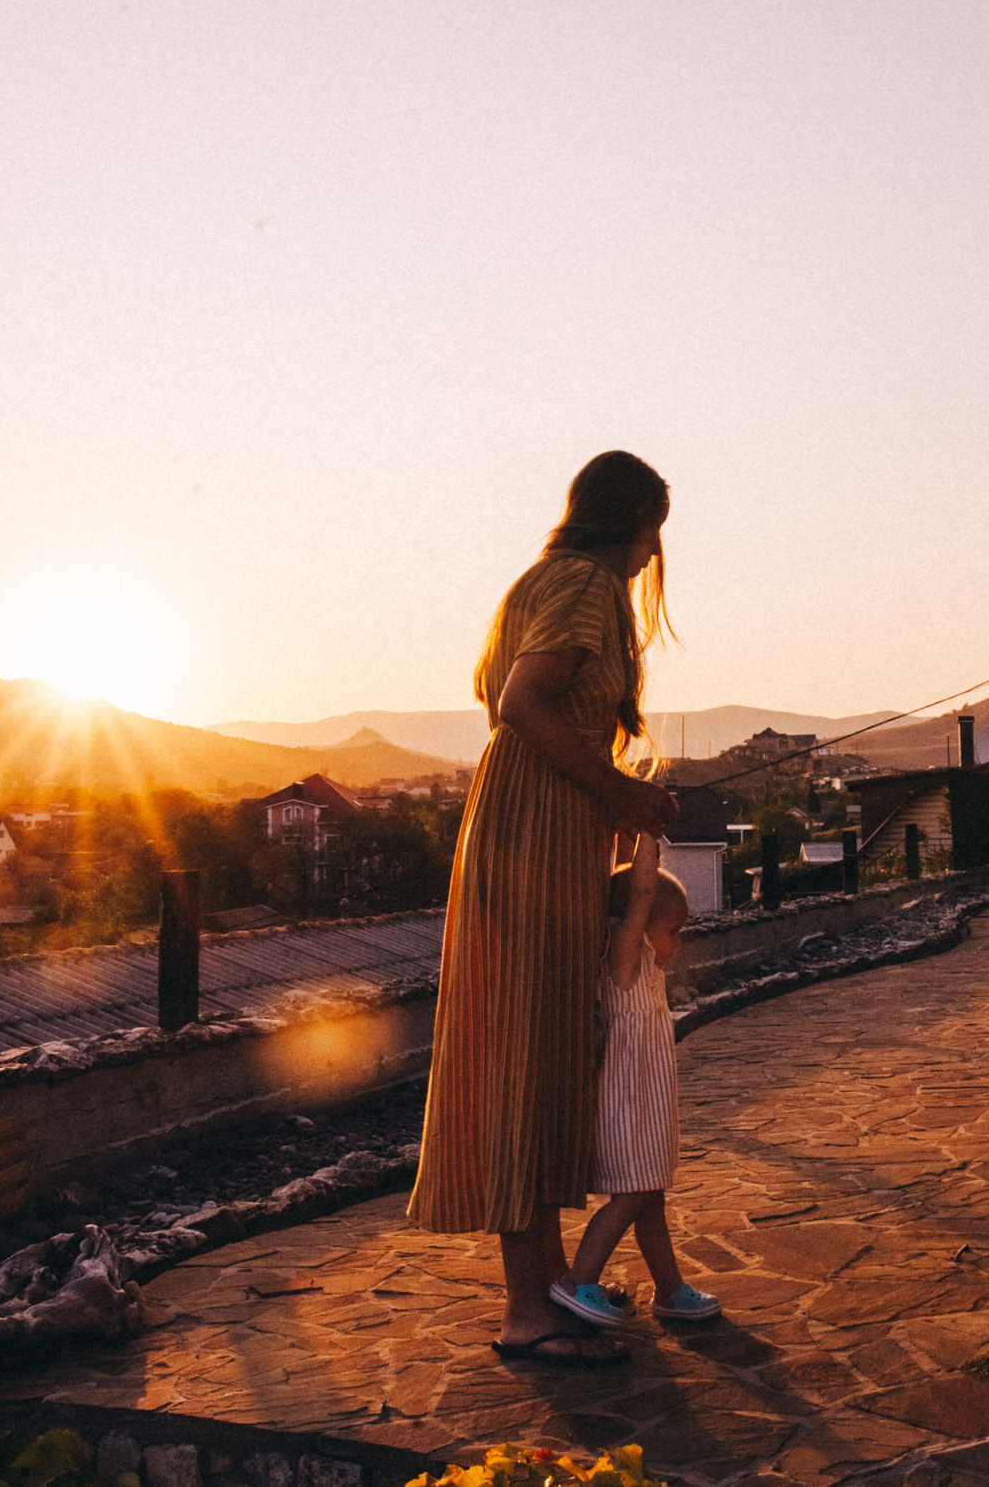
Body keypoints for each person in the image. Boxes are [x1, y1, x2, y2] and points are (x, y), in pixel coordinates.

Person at [407, 450, 680, 1368]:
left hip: (532, 833)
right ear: (630, 519)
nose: (653, 556)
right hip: (534, 840)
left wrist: (612, 800)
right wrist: (617, 787)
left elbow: (499, 694)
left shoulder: (539, 579)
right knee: (528, 1058)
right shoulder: (587, 582)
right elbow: (523, 701)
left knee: (537, 1056)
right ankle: (530, 1310)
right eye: (653, 531)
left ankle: (549, 1293)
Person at [550, 833, 720, 1328]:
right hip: (627, 1110)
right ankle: (578, 1281)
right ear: (642, 928)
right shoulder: (624, 962)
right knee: (632, 1196)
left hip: (646, 1107)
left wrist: (628, 836)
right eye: (674, 930)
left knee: (650, 1198)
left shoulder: (646, 968)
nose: (679, 940)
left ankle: (669, 1290)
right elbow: (640, 893)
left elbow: (633, 891)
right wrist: (647, 829)